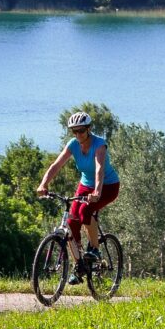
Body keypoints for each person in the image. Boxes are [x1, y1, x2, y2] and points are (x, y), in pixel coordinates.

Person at [36, 111, 120, 285]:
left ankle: (95, 249)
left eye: (80, 130)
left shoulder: (99, 145)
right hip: (85, 185)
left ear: (88, 129)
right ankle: (79, 264)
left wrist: (97, 192)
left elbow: (99, 170)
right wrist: (43, 184)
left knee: (85, 211)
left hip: (108, 186)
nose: (77, 134)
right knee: (72, 223)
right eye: (74, 131)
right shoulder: (73, 144)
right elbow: (56, 165)